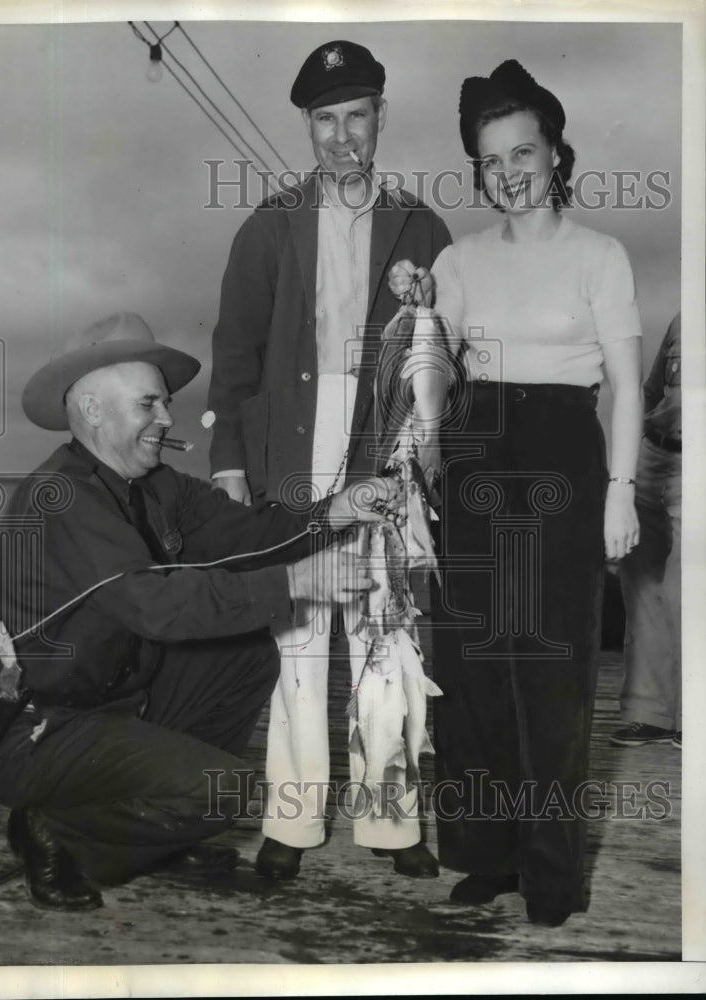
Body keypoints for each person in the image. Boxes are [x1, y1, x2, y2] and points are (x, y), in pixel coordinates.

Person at [0, 312, 404, 912]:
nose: (168, 418)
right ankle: (54, 830)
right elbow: (158, 607)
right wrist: (294, 582)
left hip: (116, 707)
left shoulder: (160, 487)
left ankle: (153, 823)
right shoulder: (60, 497)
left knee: (245, 655)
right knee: (226, 791)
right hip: (37, 732)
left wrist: (337, 511)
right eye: (149, 403)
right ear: (92, 410)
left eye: (165, 403)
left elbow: (249, 534)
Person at [389, 59, 643, 927]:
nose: (507, 173)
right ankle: (485, 855)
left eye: (522, 152)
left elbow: (626, 386)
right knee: (473, 670)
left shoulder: (599, 256)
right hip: (473, 455)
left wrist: (620, 492)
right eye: (490, 160)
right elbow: (432, 377)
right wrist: (421, 313)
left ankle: (551, 875)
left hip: (563, 458)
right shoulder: (457, 260)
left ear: (555, 153)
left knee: (552, 674)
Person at [207, 39, 451, 880]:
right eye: (324, 120)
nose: (342, 136)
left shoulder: (422, 225)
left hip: (385, 449)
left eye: (356, 115)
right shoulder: (267, 226)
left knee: (387, 634)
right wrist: (228, 463)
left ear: (380, 116)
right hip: (291, 447)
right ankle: (292, 820)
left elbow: (441, 358)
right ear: (307, 128)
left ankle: (392, 823)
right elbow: (234, 356)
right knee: (299, 637)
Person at [611, 312, 682, 748]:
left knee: (688, 589)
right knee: (641, 583)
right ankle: (650, 714)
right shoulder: (684, 318)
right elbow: (653, 390)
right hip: (654, 456)